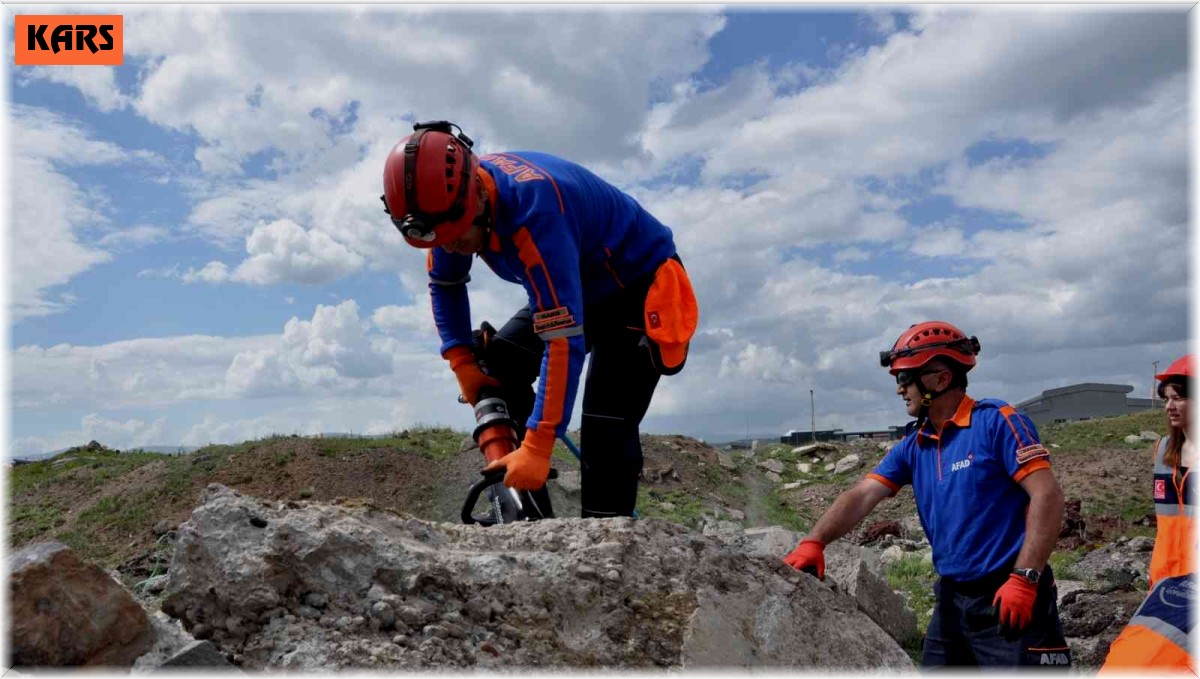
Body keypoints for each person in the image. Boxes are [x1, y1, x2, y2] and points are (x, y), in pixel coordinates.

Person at [380, 120, 698, 519]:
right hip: (576, 280)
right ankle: (527, 521)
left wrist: (539, 444)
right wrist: (461, 359)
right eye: (441, 241)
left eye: (460, 237)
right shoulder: (444, 209)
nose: (452, 248)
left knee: (605, 427)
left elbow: (563, 341)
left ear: (477, 194)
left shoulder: (534, 214)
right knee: (497, 368)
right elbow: (445, 283)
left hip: (638, 283)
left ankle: (606, 546)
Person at [782, 321, 1072, 668]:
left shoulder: (997, 423)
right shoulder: (915, 444)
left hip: (1009, 593)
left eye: (905, 378)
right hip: (952, 600)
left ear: (940, 378)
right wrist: (815, 541)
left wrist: (1025, 577)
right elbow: (862, 495)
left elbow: (1048, 497)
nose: (900, 390)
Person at [1099, 355, 1194, 673]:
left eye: (1179, 397)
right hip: (1166, 588)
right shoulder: (1165, 450)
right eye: (1167, 398)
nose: (1170, 406)